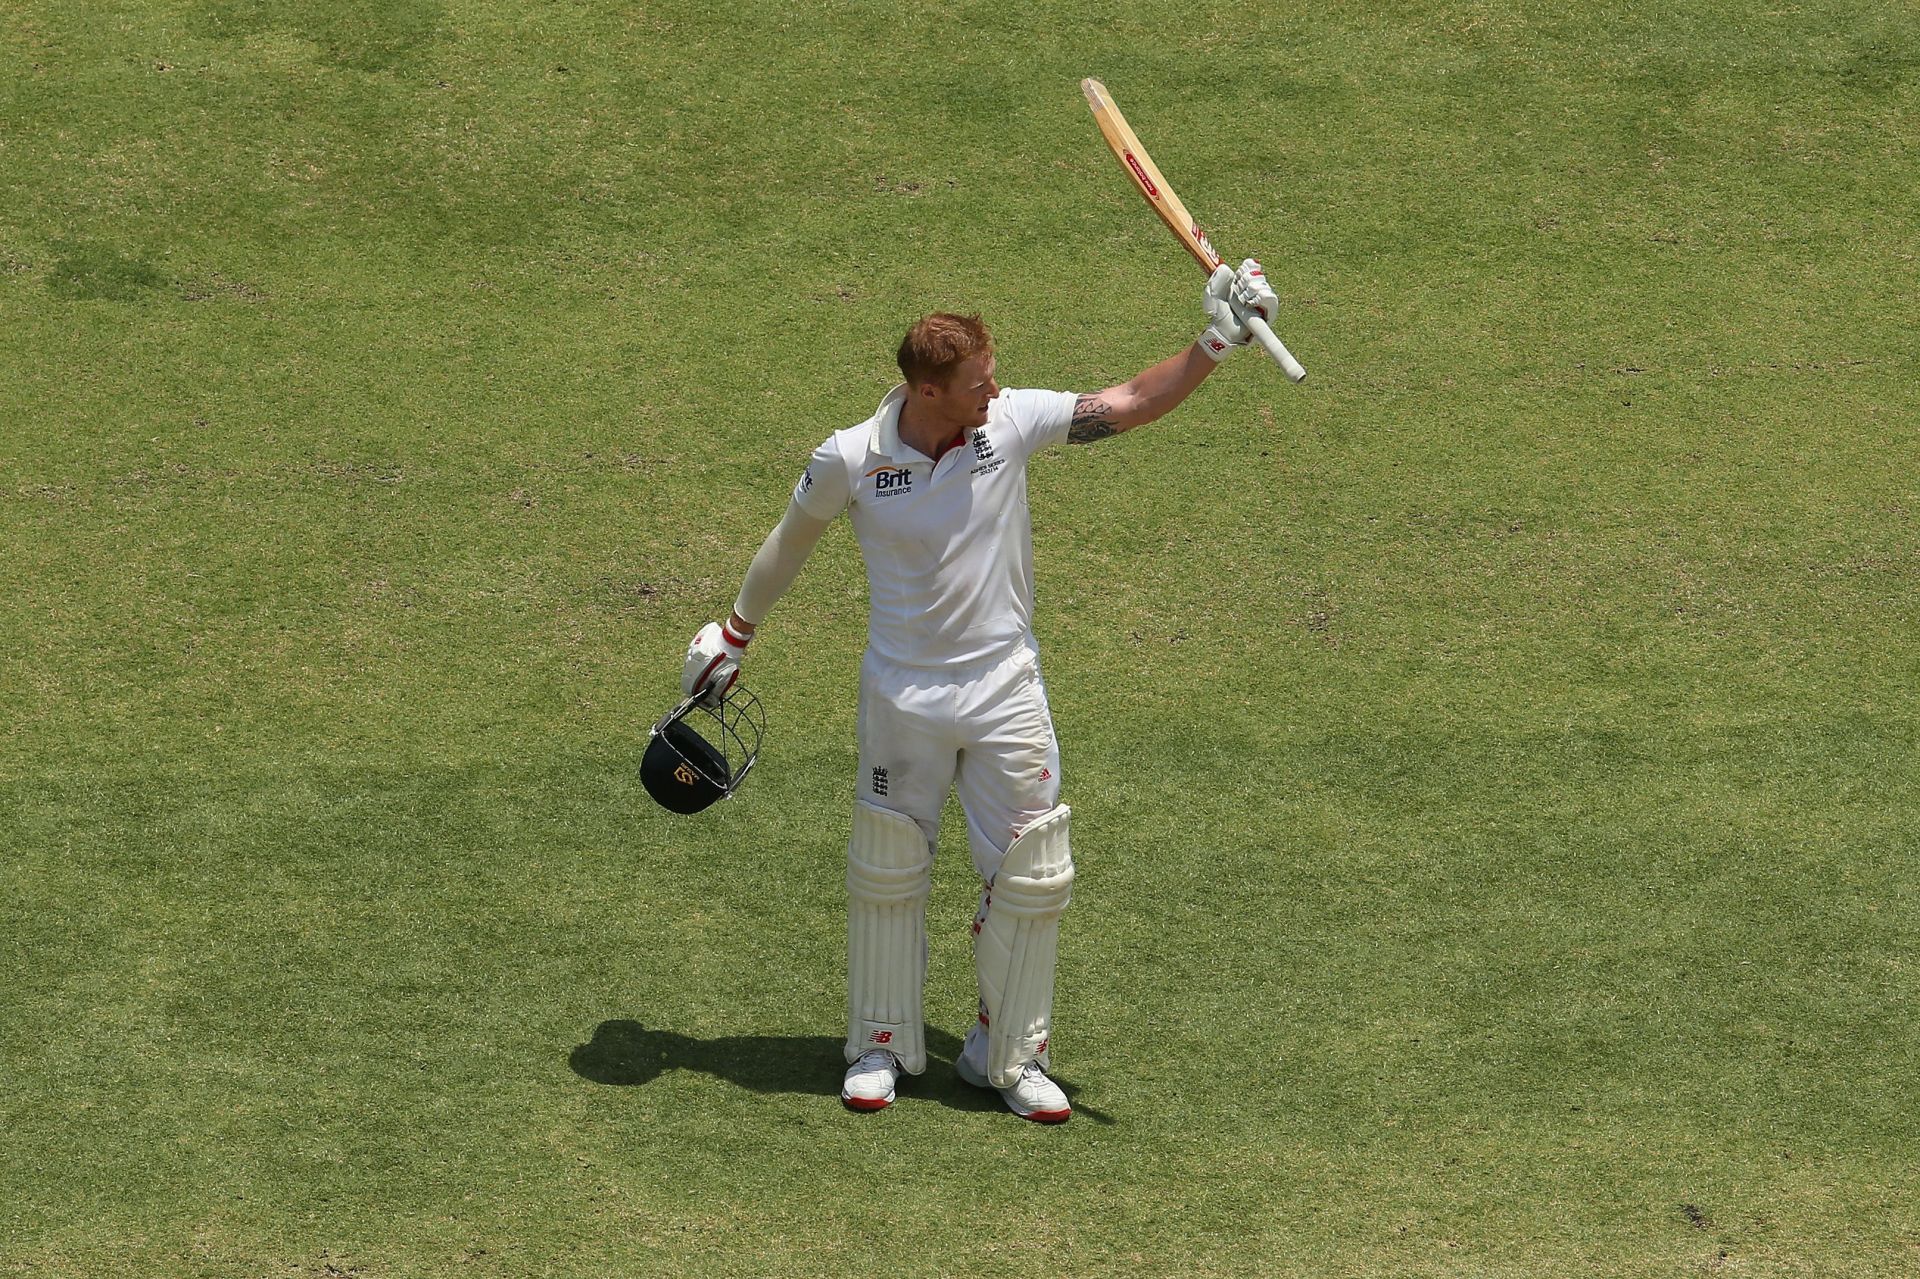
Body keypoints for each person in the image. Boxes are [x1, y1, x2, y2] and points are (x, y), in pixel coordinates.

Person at [679, 260, 1281, 1122]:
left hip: (1006, 691)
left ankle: (1011, 1054)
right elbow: (792, 540)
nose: (994, 388)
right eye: (976, 381)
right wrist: (734, 631)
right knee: (889, 868)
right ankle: (879, 1044)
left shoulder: (1012, 421)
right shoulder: (850, 457)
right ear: (927, 388)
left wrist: (1217, 341)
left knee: (1031, 873)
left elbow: (1129, 403)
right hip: (902, 699)